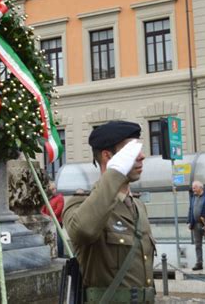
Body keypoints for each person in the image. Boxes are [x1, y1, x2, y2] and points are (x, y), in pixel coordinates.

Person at [63, 120, 156, 303]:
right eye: (131, 153)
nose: (142, 156)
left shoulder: (138, 206)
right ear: (108, 156)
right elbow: (83, 230)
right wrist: (115, 173)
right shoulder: (80, 205)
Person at [41, 180, 65, 257]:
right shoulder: (48, 199)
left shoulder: (60, 197)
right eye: (51, 189)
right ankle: (52, 253)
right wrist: (45, 217)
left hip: (57, 221)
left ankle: (60, 254)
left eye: (54, 189)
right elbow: (42, 210)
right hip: (48, 221)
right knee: (50, 238)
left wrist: (50, 217)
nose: (53, 191)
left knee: (59, 239)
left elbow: (58, 210)